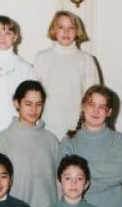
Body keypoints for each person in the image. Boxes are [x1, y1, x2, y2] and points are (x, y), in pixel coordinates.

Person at [59, 85, 122, 207]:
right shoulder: (68, 142)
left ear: (109, 112)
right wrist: (108, 181)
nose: (96, 110)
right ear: (83, 107)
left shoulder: (119, 140)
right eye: (91, 104)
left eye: (102, 107)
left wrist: (80, 176)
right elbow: (65, 180)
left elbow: (121, 172)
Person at [0, 80, 59, 207]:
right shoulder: (2, 141)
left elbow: (59, 182)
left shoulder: (51, 140)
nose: (33, 110)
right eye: (28, 104)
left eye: (38, 104)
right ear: (17, 103)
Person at [35, 10, 100, 138]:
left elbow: (93, 97)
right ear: (54, 29)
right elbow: (34, 95)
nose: (66, 32)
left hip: (77, 125)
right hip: (47, 124)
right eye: (61, 27)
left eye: (71, 28)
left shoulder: (86, 60)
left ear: (77, 31)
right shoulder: (42, 57)